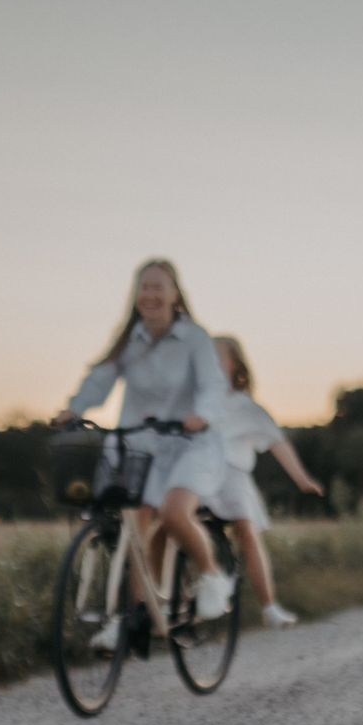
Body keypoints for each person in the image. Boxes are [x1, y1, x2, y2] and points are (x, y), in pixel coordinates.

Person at [51, 259, 236, 642]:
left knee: (173, 512)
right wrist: (75, 408)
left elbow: (212, 385)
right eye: (144, 287)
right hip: (141, 446)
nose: (150, 295)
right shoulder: (129, 341)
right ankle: (131, 618)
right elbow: (100, 379)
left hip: (191, 444)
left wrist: (202, 415)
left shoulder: (195, 338)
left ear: (175, 294)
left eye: (157, 287)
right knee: (134, 529)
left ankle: (212, 576)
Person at [209, 334, 324, 628]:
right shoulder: (194, 402)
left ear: (236, 365)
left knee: (246, 529)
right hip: (198, 474)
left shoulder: (246, 407)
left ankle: (269, 607)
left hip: (232, 475)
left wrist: (302, 479)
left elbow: (277, 443)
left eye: (218, 357)